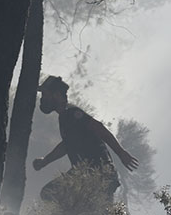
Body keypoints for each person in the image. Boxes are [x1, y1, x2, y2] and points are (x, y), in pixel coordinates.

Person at [32, 75, 138, 207]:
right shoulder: (64, 117)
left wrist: (121, 153)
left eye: (45, 94)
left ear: (57, 94)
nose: (43, 99)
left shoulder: (72, 113)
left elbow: (99, 128)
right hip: (84, 174)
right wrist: (45, 161)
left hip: (99, 174)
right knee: (49, 193)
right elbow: (66, 146)